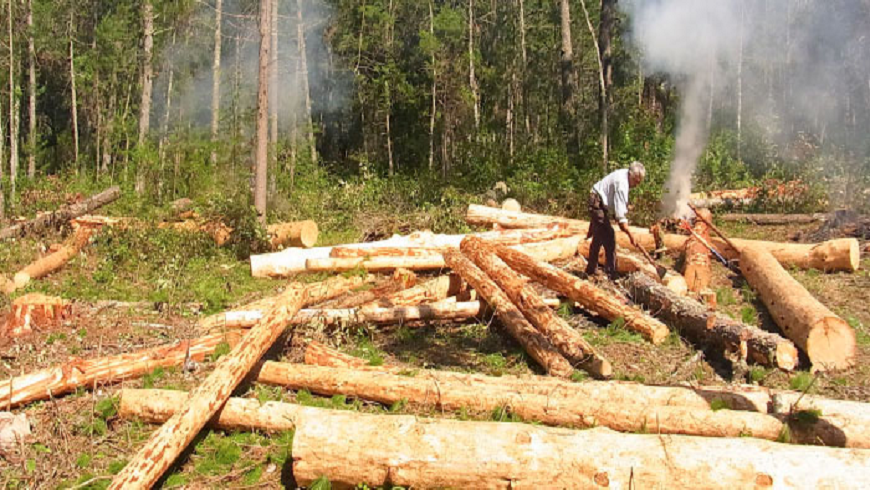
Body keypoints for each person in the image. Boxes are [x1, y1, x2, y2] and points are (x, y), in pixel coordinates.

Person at [585, 161, 646, 278]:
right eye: (637, 181)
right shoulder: (622, 184)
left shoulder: (624, 175)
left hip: (599, 201)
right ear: (632, 176)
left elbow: (617, 207)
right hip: (597, 203)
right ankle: (611, 273)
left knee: (598, 236)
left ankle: (591, 269)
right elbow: (620, 218)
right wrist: (631, 236)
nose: (637, 185)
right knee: (610, 236)